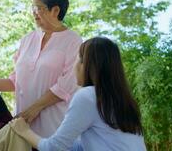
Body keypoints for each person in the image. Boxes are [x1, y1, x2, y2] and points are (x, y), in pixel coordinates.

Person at [0, 0, 83, 138]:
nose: (34, 12)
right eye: (33, 7)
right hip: (24, 129)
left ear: (56, 10)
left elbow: (66, 86)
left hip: (56, 128)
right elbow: (14, 82)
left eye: (39, 7)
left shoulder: (73, 41)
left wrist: (34, 109)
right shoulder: (27, 40)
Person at [10, 37, 147, 151]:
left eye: (79, 58)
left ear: (86, 65)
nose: (75, 66)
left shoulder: (87, 96)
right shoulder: (122, 101)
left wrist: (23, 130)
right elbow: (84, 146)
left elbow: (53, 148)